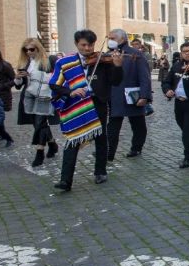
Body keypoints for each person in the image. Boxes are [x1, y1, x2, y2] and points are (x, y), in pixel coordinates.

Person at [49, 30, 123, 191]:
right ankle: (65, 180)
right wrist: (70, 92)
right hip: (75, 105)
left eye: (90, 45)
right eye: (83, 45)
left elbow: (116, 81)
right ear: (76, 44)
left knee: (100, 137)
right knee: (72, 140)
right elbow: (54, 84)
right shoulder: (65, 62)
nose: (88, 48)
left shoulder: (103, 61)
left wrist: (117, 66)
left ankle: (100, 172)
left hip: (98, 103)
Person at [107, 29, 152, 160]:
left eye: (113, 38)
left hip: (131, 94)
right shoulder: (107, 54)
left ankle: (136, 147)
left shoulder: (135, 54)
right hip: (114, 95)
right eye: (109, 38)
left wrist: (144, 96)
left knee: (138, 124)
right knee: (113, 126)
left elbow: (144, 76)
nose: (110, 40)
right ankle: (109, 152)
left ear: (122, 39)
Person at [14, 38, 59, 166]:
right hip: (29, 97)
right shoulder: (24, 63)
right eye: (26, 49)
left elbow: (58, 77)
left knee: (40, 122)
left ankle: (39, 152)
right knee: (38, 123)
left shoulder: (50, 61)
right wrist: (17, 78)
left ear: (38, 48)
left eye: (31, 49)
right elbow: (18, 85)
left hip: (45, 96)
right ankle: (52, 144)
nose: (28, 52)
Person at [162, 42, 189, 168]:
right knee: (183, 126)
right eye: (185, 51)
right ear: (181, 53)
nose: (187, 53)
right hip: (179, 102)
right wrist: (167, 90)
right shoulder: (176, 66)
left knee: (188, 130)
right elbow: (167, 81)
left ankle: (188, 157)